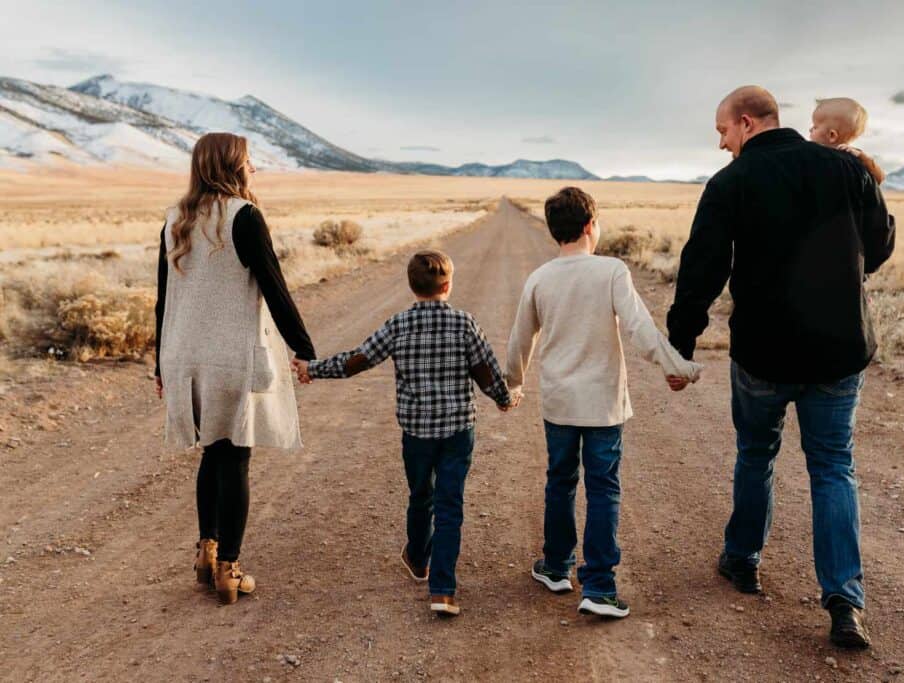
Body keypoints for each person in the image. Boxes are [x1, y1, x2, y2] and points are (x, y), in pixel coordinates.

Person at [667, 86, 895, 648]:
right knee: (833, 467)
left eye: (722, 131)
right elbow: (880, 245)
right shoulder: (847, 171)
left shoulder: (732, 183)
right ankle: (843, 598)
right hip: (839, 350)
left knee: (756, 454)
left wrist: (681, 344)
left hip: (764, 354)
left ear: (746, 123)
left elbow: (702, 268)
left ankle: (742, 560)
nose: (721, 144)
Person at [506, 187, 702, 619]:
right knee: (603, 488)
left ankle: (556, 567)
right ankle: (599, 585)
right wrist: (676, 365)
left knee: (560, 481)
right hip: (603, 405)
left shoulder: (539, 277)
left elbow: (521, 339)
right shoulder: (611, 270)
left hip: (559, 403)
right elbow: (640, 328)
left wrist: (511, 386)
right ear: (591, 225)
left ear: (553, 231)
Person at [291, 250, 512, 617]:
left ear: (412, 286)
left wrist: (313, 369)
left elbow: (356, 361)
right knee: (450, 505)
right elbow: (485, 371)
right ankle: (442, 590)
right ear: (448, 284)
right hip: (458, 430)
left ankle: (418, 558)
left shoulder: (398, 325)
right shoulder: (464, 324)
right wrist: (505, 399)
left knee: (421, 496)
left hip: (417, 434)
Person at [155, 132, 315, 605]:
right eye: (248, 161)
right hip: (231, 355)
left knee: (212, 451)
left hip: (184, 355)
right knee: (235, 455)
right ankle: (230, 570)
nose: (253, 169)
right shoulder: (244, 217)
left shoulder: (174, 220)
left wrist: (159, 363)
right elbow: (275, 287)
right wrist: (303, 348)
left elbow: (165, 300)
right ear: (231, 166)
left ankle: (206, 553)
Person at [809, 97, 886, 183]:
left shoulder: (854, 157)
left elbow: (880, 178)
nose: (810, 129)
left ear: (832, 135)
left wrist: (862, 156)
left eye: (815, 127)